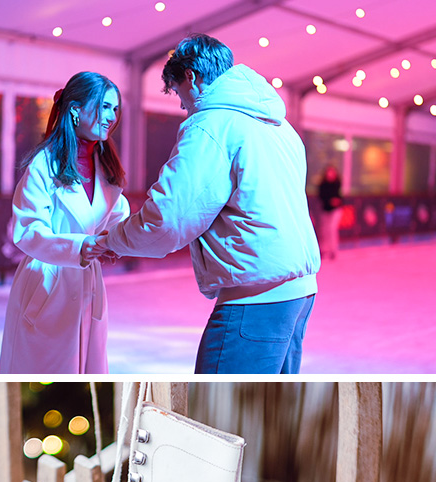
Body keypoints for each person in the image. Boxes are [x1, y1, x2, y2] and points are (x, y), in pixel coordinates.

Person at [92, 34, 320, 374]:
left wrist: (110, 239)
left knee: (216, 410)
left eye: (181, 98)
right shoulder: (280, 126)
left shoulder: (211, 126)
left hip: (255, 298)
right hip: (298, 295)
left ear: (192, 78)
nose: (185, 107)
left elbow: (169, 218)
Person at [0, 72, 129, 374]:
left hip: (87, 287)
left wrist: (112, 241)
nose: (110, 116)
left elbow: (119, 217)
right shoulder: (44, 165)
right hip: (46, 286)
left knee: (89, 372)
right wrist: (83, 246)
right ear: (75, 109)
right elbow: (28, 231)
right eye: (103, 106)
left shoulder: (107, 169)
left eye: (115, 109)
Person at [318, 165, 343, 261]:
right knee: (325, 230)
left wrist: (336, 201)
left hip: (335, 210)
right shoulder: (323, 185)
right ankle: (324, 249)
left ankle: (333, 250)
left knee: (332, 229)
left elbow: (340, 197)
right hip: (326, 209)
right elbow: (322, 196)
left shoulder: (337, 184)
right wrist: (329, 201)